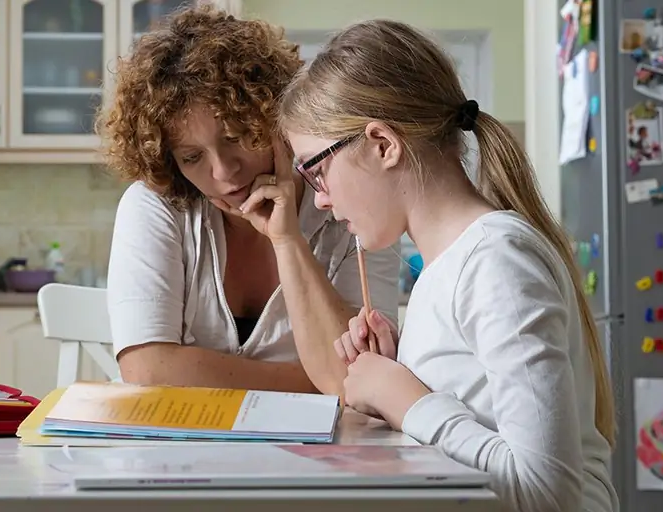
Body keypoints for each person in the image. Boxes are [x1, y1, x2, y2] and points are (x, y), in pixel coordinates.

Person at [245, 19, 616, 512]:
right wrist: (399, 371)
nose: (323, 199)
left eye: (316, 170)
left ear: (382, 144)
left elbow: (548, 494)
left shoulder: (497, 262)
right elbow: (477, 415)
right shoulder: (448, 266)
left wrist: (409, 400)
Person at [96, 5, 400, 393]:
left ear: (273, 116)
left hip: (312, 451)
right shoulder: (156, 206)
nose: (223, 172)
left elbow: (367, 377)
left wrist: (288, 241)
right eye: (192, 157)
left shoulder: (354, 209)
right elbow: (148, 371)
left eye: (237, 136)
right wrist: (313, 380)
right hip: (177, 448)